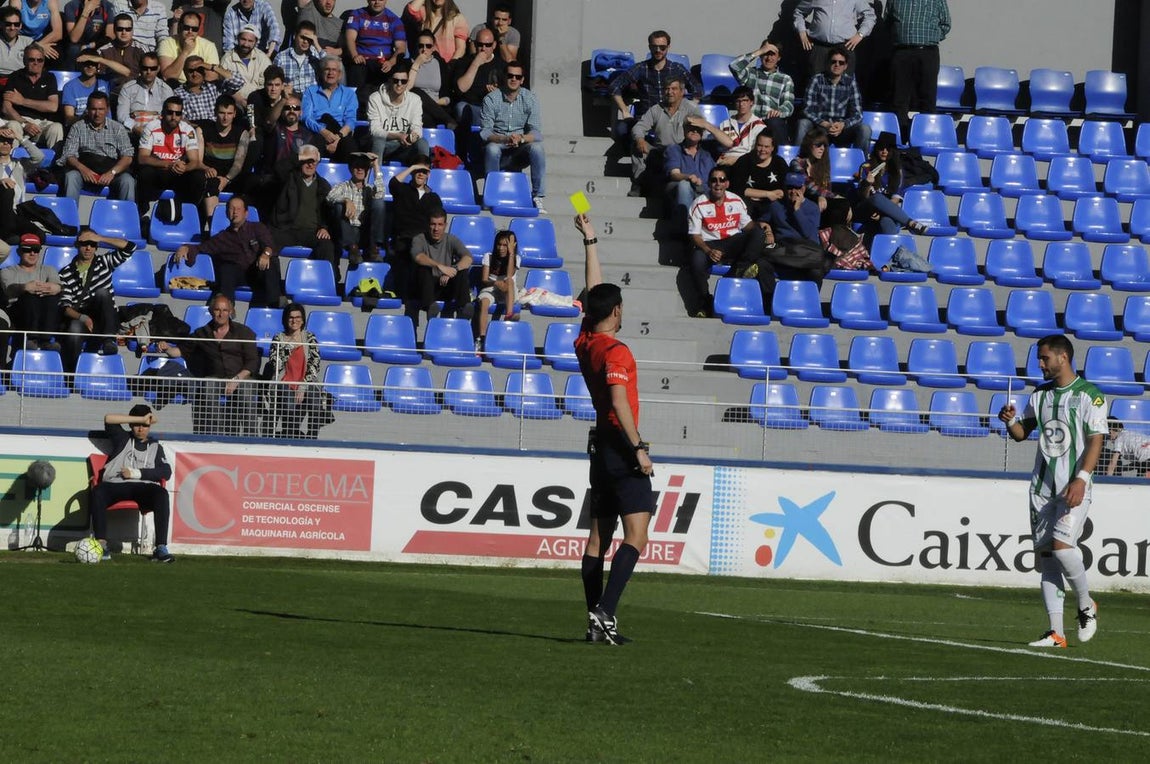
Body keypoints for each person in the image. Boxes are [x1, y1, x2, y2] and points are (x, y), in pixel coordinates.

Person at [573, 213, 655, 645]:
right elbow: (620, 401)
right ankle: (605, 612)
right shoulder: (617, 351)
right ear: (618, 311)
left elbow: (593, 295)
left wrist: (590, 241)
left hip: (598, 446)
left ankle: (593, 620)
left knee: (597, 537)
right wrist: (638, 447)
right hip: (620, 444)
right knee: (637, 534)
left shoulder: (586, 340)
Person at [997, 334, 1103, 648]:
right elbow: (1020, 433)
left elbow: (1097, 439)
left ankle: (1086, 603)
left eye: (1044, 358)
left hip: (1072, 485)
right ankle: (1056, 633)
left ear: (1063, 358)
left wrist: (1082, 478)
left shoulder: (1089, 395)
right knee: (1047, 559)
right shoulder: (1040, 395)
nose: (1040, 364)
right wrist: (1010, 420)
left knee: (1061, 548)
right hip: (1041, 488)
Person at [89, 404, 174, 563]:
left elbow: (166, 472)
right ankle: (101, 543)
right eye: (137, 425)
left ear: (150, 426)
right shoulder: (123, 439)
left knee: (161, 494)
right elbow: (108, 419)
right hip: (116, 484)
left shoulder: (156, 447)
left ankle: (161, 547)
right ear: (131, 425)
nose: (141, 429)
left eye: (145, 425)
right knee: (98, 491)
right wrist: (141, 419)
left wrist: (136, 473)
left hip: (143, 487)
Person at [173, 291, 261, 436]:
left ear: (230, 312)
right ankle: (217, 435)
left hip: (241, 377)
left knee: (247, 389)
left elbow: (252, 361)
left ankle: (250, 437)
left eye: (225, 310)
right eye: (217, 310)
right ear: (211, 311)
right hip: (216, 377)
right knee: (209, 383)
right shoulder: (202, 333)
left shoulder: (244, 332)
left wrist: (237, 379)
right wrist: (166, 348)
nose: (221, 314)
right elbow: (181, 351)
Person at [171, 194, 281, 308]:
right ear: (226, 213)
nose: (235, 212)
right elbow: (201, 248)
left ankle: (275, 305)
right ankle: (227, 307)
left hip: (259, 271)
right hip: (240, 275)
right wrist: (186, 247)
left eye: (238, 209)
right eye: (231, 209)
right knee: (226, 268)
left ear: (246, 213)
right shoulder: (222, 237)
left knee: (270, 264)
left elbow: (270, 245)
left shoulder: (257, 227)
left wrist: (266, 254)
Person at [686, 166, 767, 317]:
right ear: (709, 184)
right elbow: (695, 235)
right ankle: (704, 303)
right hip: (709, 243)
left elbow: (748, 226)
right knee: (696, 260)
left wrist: (760, 227)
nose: (718, 184)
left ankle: (737, 271)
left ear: (727, 184)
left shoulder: (736, 201)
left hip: (732, 241)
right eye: (714, 180)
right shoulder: (699, 204)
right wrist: (708, 250)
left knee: (759, 233)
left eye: (722, 180)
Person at [609, 29, 701, 159]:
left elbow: (697, 88)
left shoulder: (677, 68)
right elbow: (614, 86)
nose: (658, 50)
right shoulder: (641, 68)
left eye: (662, 47)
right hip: (645, 117)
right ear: (649, 47)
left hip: (671, 117)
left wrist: (690, 106)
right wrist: (624, 110)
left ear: (668, 47)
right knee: (622, 129)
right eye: (654, 47)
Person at [57, 230, 136, 369]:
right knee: (74, 328)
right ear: (77, 244)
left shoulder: (104, 262)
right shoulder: (65, 273)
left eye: (92, 244)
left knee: (102, 293)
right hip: (83, 317)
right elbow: (65, 307)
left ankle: (109, 340)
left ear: (96, 246)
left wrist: (100, 237)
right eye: (84, 244)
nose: (88, 248)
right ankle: (71, 373)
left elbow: (130, 247)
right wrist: (82, 317)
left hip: (105, 318)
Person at [480, 60, 546, 212]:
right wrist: (504, 138)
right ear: (505, 77)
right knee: (492, 149)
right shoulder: (491, 99)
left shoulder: (530, 99)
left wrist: (521, 138)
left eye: (518, 76)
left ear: (522, 79)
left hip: (519, 148)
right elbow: (485, 132)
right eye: (510, 75)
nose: (514, 79)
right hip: (498, 143)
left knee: (537, 148)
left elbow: (536, 132)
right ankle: (491, 195)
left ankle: (538, 197)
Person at [886, 0, 951, 144]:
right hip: (902, 52)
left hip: (927, 52)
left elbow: (946, 24)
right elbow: (888, 21)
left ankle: (923, 139)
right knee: (899, 99)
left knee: (927, 98)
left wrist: (930, 36)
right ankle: (900, 139)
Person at [264, 302, 330, 439]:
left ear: (303, 319)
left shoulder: (310, 337)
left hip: (305, 381)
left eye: (297, 317)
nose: (294, 320)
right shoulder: (278, 338)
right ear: (285, 319)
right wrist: (290, 345)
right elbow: (276, 363)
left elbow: (315, 364)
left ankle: (312, 437)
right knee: (288, 401)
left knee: (315, 399)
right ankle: (290, 435)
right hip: (283, 381)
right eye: (291, 317)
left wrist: (303, 386)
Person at [134, 96, 206, 222]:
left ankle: (188, 211)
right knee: (145, 172)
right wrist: (168, 164)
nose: (173, 117)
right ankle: (145, 211)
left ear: (181, 115)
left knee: (198, 176)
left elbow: (194, 161)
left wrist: (184, 168)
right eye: (170, 113)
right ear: (162, 113)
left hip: (178, 173)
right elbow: (142, 158)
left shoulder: (188, 130)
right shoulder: (151, 127)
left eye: (177, 113)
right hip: (159, 171)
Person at [269, 144, 337, 275]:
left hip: (312, 232)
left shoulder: (323, 185)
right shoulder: (288, 178)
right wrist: (301, 156)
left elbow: (328, 212)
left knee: (327, 246)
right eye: (307, 161)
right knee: (268, 242)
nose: (310, 165)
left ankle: (324, 284)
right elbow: (278, 168)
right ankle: (276, 285)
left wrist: (324, 227)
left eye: (313, 162)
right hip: (287, 229)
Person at [58, 90, 136, 203]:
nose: (97, 113)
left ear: (107, 110)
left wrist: (112, 173)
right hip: (85, 169)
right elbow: (69, 154)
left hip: (110, 170)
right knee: (71, 177)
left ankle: (126, 217)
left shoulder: (117, 128)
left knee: (128, 181)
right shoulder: (77, 127)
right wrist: (84, 170)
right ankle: (69, 217)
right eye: (93, 109)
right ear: (88, 110)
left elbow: (127, 156)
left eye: (101, 109)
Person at [628, 77, 700, 197]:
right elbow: (638, 127)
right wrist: (640, 139)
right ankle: (639, 182)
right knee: (636, 144)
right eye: (667, 89)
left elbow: (701, 128)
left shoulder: (691, 108)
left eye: (674, 89)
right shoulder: (657, 109)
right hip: (660, 151)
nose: (670, 92)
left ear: (682, 92)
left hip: (681, 152)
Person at [854, 130, 929, 238]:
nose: (884, 152)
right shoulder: (866, 166)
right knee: (877, 198)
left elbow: (896, 199)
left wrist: (883, 211)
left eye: (888, 149)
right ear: (876, 149)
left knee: (887, 222)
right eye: (881, 148)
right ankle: (910, 223)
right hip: (867, 207)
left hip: (885, 210)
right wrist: (866, 184)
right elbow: (863, 197)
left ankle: (886, 251)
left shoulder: (897, 170)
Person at [408, 206, 472, 329]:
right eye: (433, 224)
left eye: (440, 224)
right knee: (423, 268)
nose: (436, 229)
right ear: (428, 225)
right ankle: (429, 306)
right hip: (426, 287)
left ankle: (465, 306)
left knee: (461, 270)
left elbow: (468, 258)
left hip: (444, 284)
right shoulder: (419, 239)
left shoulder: (451, 239)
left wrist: (453, 271)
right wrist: (439, 266)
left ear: (445, 225)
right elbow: (417, 256)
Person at [796, 47, 870, 150]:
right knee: (803, 123)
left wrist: (843, 124)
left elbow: (858, 114)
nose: (837, 65)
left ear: (845, 66)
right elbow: (807, 109)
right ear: (827, 63)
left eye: (841, 62)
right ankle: (798, 161)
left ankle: (861, 164)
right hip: (820, 127)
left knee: (865, 129)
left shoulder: (850, 83)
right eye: (833, 61)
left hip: (842, 130)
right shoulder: (816, 80)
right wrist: (824, 123)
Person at [388, 156, 440, 298]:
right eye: (417, 170)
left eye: (424, 171)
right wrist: (412, 167)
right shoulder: (403, 190)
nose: (420, 174)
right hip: (404, 238)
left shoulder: (434, 197)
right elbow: (392, 184)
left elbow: (439, 221)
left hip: (424, 241)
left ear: (428, 174)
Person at [0, 232, 60, 350]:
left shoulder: (49, 270)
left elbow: (57, 286)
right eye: (27, 250)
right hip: (18, 313)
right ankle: (31, 338)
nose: (32, 253)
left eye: (36, 250)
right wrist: (25, 287)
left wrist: (56, 288)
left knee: (52, 298)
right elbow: (9, 290)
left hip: (43, 312)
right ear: (19, 252)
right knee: (29, 297)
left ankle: (45, 341)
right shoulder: (7, 271)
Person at [196, 93, 252, 220]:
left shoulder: (241, 133)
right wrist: (206, 168)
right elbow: (198, 161)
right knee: (210, 183)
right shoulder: (203, 130)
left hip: (231, 175)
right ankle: (212, 224)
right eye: (222, 113)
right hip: (210, 173)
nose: (225, 117)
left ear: (234, 114)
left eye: (229, 113)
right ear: (216, 112)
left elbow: (238, 164)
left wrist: (226, 179)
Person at [729, 40, 794, 145]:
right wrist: (758, 52)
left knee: (775, 122)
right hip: (752, 121)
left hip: (771, 121)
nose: (769, 58)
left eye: (772, 54)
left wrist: (779, 111)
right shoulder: (751, 73)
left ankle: (784, 157)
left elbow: (788, 105)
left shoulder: (785, 79)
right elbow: (734, 66)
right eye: (765, 54)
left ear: (779, 58)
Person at [327, 151, 385, 266]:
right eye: (356, 167)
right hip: (349, 231)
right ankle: (352, 248)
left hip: (366, 232)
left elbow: (381, 194)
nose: (360, 170)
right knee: (339, 206)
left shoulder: (370, 189)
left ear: (367, 170)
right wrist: (346, 200)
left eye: (363, 167)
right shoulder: (342, 186)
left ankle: (374, 246)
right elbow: (329, 197)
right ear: (350, 169)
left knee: (379, 203)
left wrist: (376, 167)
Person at [1, 45, 63, 149]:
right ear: (24, 60)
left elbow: (53, 106)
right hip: (19, 121)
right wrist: (25, 124)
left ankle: (55, 163)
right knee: (12, 126)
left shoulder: (49, 77)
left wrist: (22, 101)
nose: (36, 63)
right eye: (31, 59)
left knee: (56, 127)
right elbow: (6, 108)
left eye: (40, 60)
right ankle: (10, 163)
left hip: (41, 123)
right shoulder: (14, 77)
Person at [793, 0, 875, 78]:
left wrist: (860, 34)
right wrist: (802, 32)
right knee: (816, 83)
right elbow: (799, 12)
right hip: (820, 48)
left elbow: (870, 15)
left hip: (845, 47)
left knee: (844, 85)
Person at [367, 62, 428, 164]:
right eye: (396, 81)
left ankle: (422, 175)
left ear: (407, 82)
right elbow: (374, 130)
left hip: (404, 146)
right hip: (383, 145)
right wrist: (398, 136)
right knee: (378, 141)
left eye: (403, 81)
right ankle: (376, 177)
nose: (399, 84)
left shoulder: (415, 100)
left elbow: (417, 126)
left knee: (422, 142)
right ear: (390, 80)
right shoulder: (375, 98)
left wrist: (413, 136)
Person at [688, 86, 764, 166]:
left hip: (747, 163)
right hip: (725, 163)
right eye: (738, 101)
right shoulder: (725, 124)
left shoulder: (759, 126)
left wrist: (736, 160)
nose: (741, 104)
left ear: (751, 102)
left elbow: (758, 153)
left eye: (745, 100)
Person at [343, 0, 407, 96]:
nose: (377, 2)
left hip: (383, 62)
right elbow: (350, 38)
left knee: (391, 75)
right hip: (362, 60)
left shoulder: (394, 20)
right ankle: (354, 107)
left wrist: (391, 62)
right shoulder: (357, 14)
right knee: (356, 71)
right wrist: (355, 55)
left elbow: (401, 48)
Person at [301, 56, 358, 161]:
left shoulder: (349, 94)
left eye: (334, 70)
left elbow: (350, 120)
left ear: (340, 74)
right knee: (313, 145)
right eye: (327, 69)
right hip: (317, 132)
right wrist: (324, 132)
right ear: (321, 72)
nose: (330, 73)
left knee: (350, 147)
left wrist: (337, 138)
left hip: (340, 134)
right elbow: (306, 117)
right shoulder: (310, 91)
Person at [662, 121, 713, 233]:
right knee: (684, 185)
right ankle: (685, 229)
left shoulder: (707, 154)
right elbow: (674, 174)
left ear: (703, 132)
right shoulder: (674, 149)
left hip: (703, 191)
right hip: (680, 188)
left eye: (698, 129)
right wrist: (688, 177)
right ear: (684, 130)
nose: (695, 131)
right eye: (691, 128)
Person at [729, 130, 788, 221]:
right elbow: (737, 188)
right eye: (759, 145)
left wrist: (779, 193)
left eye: (766, 147)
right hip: (748, 204)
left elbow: (784, 189)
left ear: (772, 148)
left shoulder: (779, 163)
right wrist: (767, 194)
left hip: (771, 205)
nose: (762, 150)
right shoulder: (744, 161)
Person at [0, 125, 45, 244]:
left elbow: (39, 157)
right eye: (1, 140)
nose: (5, 143)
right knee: (6, 189)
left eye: (9, 140)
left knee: (40, 236)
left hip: (17, 214)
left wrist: (20, 138)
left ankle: (9, 235)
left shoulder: (20, 164)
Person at [473, 228, 516, 352]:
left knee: (509, 281)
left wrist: (511, 253)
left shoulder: (515, 258)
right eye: (499, 244)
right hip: (491, 287)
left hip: (509, 290)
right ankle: (481, 338)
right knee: (484, 302)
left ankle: (508, 315)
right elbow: (484, 279)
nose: (501, 248)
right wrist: (496, 282)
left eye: (505, 245)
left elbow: (509, 275)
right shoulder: (489, 256)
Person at [173, 55, 243, 124]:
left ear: (204, 71)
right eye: (191, 71)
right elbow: (181, 121)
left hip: (217, 131)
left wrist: (212, 67)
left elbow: (238, 82)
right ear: (184, 72)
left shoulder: (215, 87)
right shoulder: (178, 93)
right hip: (194, 131)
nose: (195, 74)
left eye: (199, 70)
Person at [407, 29, 456, 130]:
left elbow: (448, 95)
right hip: (415, 106)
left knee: (427, 118)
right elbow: (406, 88)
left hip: (438, 106)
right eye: (421, 46)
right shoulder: (408, 64)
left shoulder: (440, 64)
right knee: (416, 91)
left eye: (428, 46)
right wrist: (416, 64)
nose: (424, 49)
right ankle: (448, 120)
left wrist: (436, 103)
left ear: (433, 47)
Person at [116, 51, 173, 136]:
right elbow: (121, 116)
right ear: (139, 68)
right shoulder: (128, 88)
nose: (149, 71)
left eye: (153, 68)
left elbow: (169, 116)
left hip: (158, 134)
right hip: (132, 133)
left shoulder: (166, 90)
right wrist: (135, 127)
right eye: (145, 68)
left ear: (158, 69)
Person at [158, 10, 221, 84]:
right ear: (180, 27)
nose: (190, 32)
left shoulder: (209, 46)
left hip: (201, 87)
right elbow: (168, 77)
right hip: (175, 86)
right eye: (186, 27)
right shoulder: (167, 43)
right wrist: (185, 52)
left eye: (194, 29)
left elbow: (212, 77)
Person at [93, 13, 146, 97]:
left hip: (136, 93)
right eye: (120, 29)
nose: (124, 32)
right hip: (110, 93)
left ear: (132, 31)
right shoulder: (103, 51)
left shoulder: (142, 50)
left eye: (128, 29)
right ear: (114, 30)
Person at [220, 24, 274, 106]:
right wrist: (239, 100)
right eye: (243, 39)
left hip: (259, 102)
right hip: (236, 102)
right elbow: (223, 86)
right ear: (237, 39)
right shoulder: (227, 59)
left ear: (256, 42)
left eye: (250, 41)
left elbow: (268, 84)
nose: (246, 44)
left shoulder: (263, 59)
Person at [789, 126, 837, 214]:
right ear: (808, 145)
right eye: (818, 145)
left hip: (820, 201)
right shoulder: (796, 163)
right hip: (803, 201)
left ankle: (837, 228)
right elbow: (808, 185)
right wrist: (830, 196)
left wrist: (824, 197)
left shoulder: (823, 164)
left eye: (824, 145)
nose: (822, 148)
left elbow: (827, 187)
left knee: (842, 204)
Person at [402, 0, 467, 62]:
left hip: (445, 65)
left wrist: (450, 67)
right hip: (423, 65)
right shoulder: (424, 13)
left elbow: (460, 49)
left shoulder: (457, 18)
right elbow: (411, 10)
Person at [766, 172, 821, 244]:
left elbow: (809, 234)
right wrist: (768, 231)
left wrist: (797, 210)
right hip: (784, 246)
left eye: (797, 188)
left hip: (806, 247)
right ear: (784, 188)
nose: (793, 191)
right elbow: (762, 221)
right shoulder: (775, 205)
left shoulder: (813, 207)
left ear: (803, 189)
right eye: (789, 187)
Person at [274, 21, 324, 93]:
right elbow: (274, 82)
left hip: (312, 98)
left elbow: (331, 65)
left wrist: (317, 45)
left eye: (309, 39)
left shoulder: (316, 55)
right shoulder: (281, 57)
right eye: (303, 37)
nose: (305, 41)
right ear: (294, 36)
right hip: (291, 98)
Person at [59, 56, 109, 126]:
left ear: (98, 65)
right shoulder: (70, 86)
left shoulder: (105, 82)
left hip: (107, 126)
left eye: (93, 63)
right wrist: (84, 118)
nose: (90, 66)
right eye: (86, 63)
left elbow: (127, 73)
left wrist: (101, 60)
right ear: (80, 65)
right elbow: (68, 120)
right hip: (84, 126)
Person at [0, 8, 33, 77]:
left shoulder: (28, 42)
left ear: (20, 25)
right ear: (1, 24)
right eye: (8, 24)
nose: (12, 28)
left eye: (16, 24)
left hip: (19, 79)